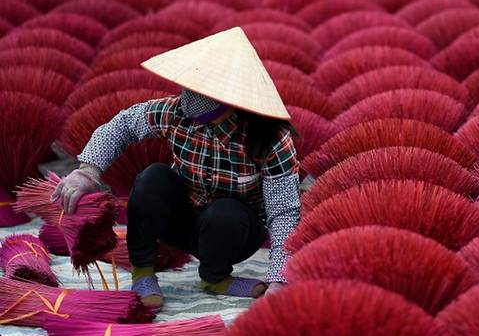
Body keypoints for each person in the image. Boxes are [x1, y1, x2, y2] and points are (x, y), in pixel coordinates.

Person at [50, 27, 301, 310]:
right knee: (153, 178)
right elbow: (121, 126)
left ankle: (215, 276)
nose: (189, 95)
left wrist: (279, 278)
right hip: (181, 221)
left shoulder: (269, 139)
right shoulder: (175, 113)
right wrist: (88, 171)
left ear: (233, 95)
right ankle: (143, 270)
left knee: (226, 214)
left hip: (232, 233)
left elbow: (284, 214)